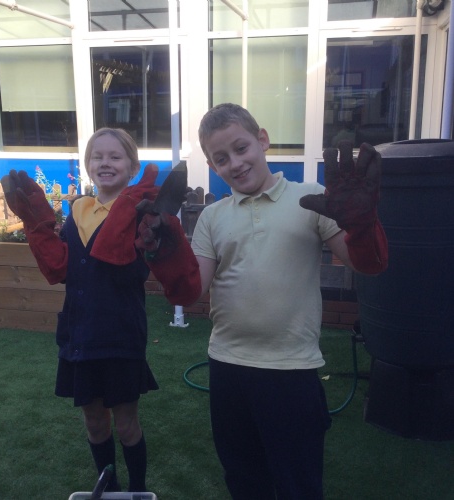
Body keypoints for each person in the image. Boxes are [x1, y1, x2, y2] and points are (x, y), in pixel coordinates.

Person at [135, 103, 388, 499]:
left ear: (262, 140)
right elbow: (191, 290)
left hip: (292, 368)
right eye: (221, 158)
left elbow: (366, 264)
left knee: (298, 483)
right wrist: (165, 255)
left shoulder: (312, 199)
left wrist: (360, 223)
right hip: (228, 367)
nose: (235, 163)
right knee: (244, 480)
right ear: (211, 165)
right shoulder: (213, 217)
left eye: (241, 148)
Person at [1, 127, 185, 493]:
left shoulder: (142, 214)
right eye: (97, 156)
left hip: (120, 334)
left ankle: (136, 490)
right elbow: (62, 269)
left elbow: (135, 272)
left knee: (126, 423)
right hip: (80, 334)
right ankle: (109, 488)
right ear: (87, 165)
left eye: (115, 156)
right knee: (95, 422)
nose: (105, 163)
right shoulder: (78, 210)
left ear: (132, 166)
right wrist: (37, 228)